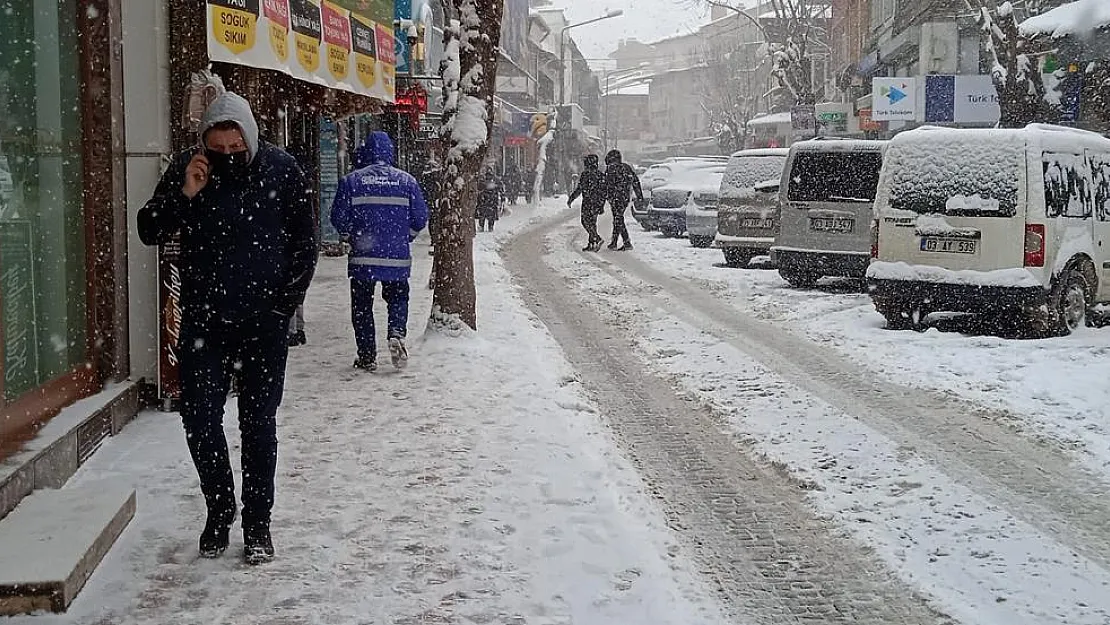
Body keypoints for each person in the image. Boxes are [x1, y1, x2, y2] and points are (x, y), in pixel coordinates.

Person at [137, 92, 317, 565]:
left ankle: (258, 522)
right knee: (199, 421)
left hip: (263, 324)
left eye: (236, 151)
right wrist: (184, 195)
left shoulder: (282, 170)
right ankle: (219, 510)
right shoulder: (189, 168)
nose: (227, 159)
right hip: (205, 323)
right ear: (205, 145)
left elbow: (305, 244)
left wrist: (284, 308)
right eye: (218, 151)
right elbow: (148, 229)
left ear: (250, 140)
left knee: (258, 425)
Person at [330, 131, 428, 372]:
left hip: (363, 257)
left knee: (362, 306)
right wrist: (406, 237)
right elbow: (420, 217)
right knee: (397, 297)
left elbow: (337, 218)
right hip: (396, 257)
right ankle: (396, 332)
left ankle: (366, 355)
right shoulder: (407, 182)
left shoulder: (351, 181)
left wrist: (351, 235)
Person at [603, 149, 644, 251]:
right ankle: (615, 242)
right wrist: (639, 196)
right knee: (618, 219)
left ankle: (626, 242)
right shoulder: (626, 167)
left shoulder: (611, 169)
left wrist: (605, 197)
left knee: (618, 219)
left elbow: (606, 185)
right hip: (624, 197)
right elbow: (635, 181)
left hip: (615, 198)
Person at [567, 154, 605, 251]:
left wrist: (571, 198)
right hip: (597, 203)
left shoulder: (585, 174)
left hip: (588, 202)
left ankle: (597, 238)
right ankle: (591, 243)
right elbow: (604, 191)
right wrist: (601, 204)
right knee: (592, 223)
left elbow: (579, 188)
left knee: (585, 222)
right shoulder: (600, 175)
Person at [475, 167, 502, 232]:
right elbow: (500, 188)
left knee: (484, 215)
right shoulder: (494, 180)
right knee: (489, 215)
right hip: (489, 201)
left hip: (486, 201)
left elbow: (479, 188)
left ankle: (483, 226)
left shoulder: (484, 180)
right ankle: (489, 226)